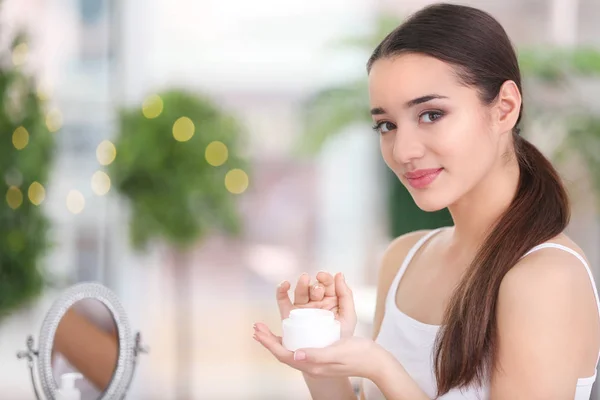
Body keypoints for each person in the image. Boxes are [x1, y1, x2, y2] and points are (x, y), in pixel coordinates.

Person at [252, 3, 600, 399]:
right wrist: (322, 360)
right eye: (386, 125)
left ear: (504, 108)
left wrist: (382, 368)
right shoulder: (403, 259)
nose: (403, 150)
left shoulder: (545, 277)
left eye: (431, 114)